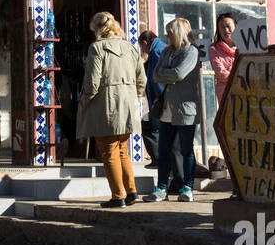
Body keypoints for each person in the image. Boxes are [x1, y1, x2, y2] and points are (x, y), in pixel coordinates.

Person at [77, 12, 145, 208]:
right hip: (128, 105)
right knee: (122, 150)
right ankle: (131, 192)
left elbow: (92, 83)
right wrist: (134, 96)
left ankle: (118, 196)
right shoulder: (131, 47)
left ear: (97, 29)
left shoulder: (96, 48)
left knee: (109, 151)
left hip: (106, 105)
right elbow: (142, 79)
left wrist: (84, 102)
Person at [148, 17, 200, 203]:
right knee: (164, 150)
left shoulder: (191, 51)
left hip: (186, 109)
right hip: (166, 110)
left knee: (186, 149)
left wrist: (165, 74)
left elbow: (180, 73)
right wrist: (168, 74)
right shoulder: (166, 51)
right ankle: (161, 187)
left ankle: (188, 187)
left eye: (170, 31)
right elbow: (155, 75)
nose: (167, 34)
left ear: (178, 32)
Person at [137, 29, 166, 165]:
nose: (142, 50)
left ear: (145, 43)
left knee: (152, 127)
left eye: (141, 47)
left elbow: (157, 78)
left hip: (159, 100)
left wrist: (158, 97)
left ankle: (159, 160)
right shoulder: (161, 48)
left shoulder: (155, 52)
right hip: (161, 99)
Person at [207, 13, 237, 105]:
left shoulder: (246, 47)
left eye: (228, 26)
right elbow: (220, 73)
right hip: (225, 92)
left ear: (236, 26)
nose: (226, 30)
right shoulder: (214, 49)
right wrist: (240, 79)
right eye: (222, 27)